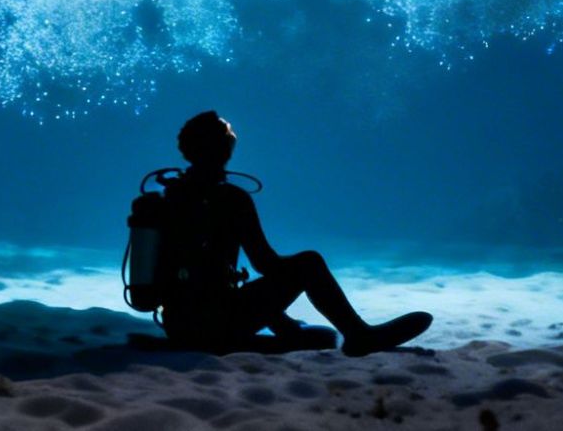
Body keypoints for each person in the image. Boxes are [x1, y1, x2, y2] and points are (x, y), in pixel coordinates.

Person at [153, 110, 432, 357]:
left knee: (318, 334)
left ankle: (288, 328)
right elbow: (266, 264)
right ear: (223, 149)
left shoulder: (171, 195)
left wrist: (279, 321)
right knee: (308, 263)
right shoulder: (231, 198)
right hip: (216, 322)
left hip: (179, 326)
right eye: (228, 138)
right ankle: (359, 335)